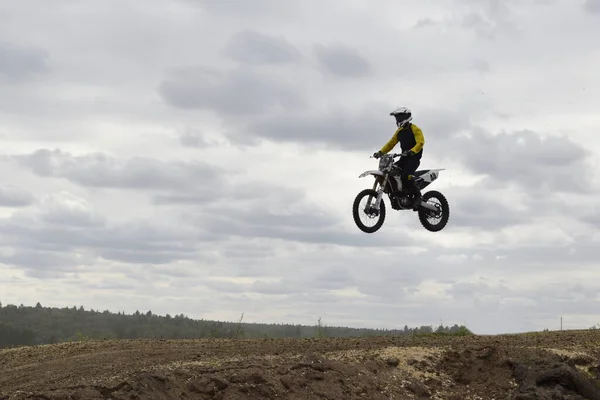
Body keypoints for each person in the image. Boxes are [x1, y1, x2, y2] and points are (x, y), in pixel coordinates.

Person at [373, 106, 425, 210]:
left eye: (399, 117)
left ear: (406, 117)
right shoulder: (399, 131)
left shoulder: (415, 129)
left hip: (413, 158)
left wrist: (412, 151)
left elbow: (420, 142)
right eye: (397, 118)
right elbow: (391, 143)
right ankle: (399, 193)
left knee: (406, 176)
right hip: (403, 159)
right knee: (392, 172)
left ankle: (418, 196)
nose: (398, 120)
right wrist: (380, 152)